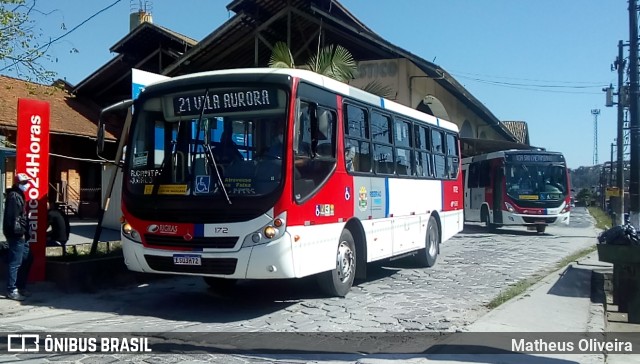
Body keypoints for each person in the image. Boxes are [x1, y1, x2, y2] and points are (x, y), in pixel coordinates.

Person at [2, 173, 33, 301]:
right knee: (15, 262)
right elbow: (13, 218)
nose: (27, 185)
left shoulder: (19, 195)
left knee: (27, 258)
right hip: (17, 234)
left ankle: (20, 286)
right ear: (18, 184)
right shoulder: (14, 196)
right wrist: (19, 232)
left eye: (27, 182)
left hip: (21, 233)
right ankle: (12, 289)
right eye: (24, 183)